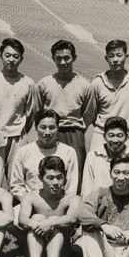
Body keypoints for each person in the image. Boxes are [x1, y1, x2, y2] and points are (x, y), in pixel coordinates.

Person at [37, 40, 96, 192]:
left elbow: (90, 112)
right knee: (48, 170)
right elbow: (38, 111)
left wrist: (80, 127)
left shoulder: (84, 85)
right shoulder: (44, 83)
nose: (63, 62)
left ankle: (73, 206)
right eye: (58, 58)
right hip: (51, 132)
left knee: (75, 173)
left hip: (74, 133)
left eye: (67, 58)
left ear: (74, 58)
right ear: (53, 59)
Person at [19, 156, 80, 257]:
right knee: (37, 217)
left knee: (57, 224)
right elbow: (22, 219)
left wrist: (51, 222)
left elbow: (72, 218)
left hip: (60, 256)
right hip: (36, 254)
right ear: (40, 178)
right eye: (50, 178)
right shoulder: (31, 197)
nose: (56, 182)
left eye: (59, 177)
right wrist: (38, 225)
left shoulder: (72, 198)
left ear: (65, 177)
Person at [0, 38, 36, 180]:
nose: (11, 59)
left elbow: (30, 114)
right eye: (7, 55)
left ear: (21, 59)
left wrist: (20, 129)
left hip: (17, 137)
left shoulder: (28, 83)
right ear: (1, 56)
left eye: (15, 56)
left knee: (16, 178)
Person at [10, 109, 78, 203]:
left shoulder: (69, 152)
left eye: (51, 127)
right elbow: (16, 185)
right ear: (36, 127)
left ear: (58, 128)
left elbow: (71, 187)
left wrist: (62, 204)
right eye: (43, 127)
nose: (47, 132)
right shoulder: (23, 152)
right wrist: (32, 202)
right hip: (31, 204)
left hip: (60, 205)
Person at [90, 40, 129, 150]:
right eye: (111, 56)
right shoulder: (97, 83)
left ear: (126, 57)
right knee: (98, 166)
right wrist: (104, 129)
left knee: (125, 167)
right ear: (106, 58)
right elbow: (92, 113)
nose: (115, 60)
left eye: (119, 55)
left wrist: (128, 129)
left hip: (126, 136)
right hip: (101, 135)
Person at [82, 116, 129, 196]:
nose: (115, 140)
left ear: (126, 137)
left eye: (119, 135)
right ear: (104, 136)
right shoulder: (93, 156)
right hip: (98, 205)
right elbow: (87, 191)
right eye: (111, 135)